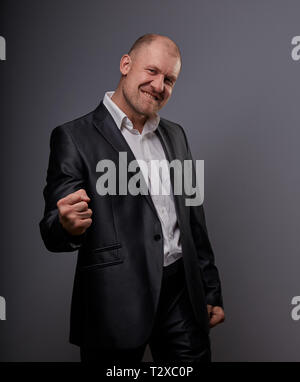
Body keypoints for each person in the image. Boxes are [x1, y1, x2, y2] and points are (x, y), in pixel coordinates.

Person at [39, 33, 225, 363]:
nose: (159, 85)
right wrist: (67, 225)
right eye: (151, 71)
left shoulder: (176, 134)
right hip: (114, 303)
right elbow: (53, 227)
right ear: (126, 64)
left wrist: (209, 290)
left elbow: (194, 217)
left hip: (182, 296)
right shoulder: (73, 136)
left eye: (169, 79)